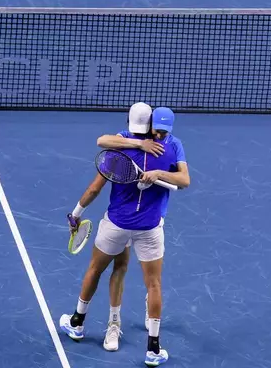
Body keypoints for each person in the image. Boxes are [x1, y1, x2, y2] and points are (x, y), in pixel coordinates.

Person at [59, 106, 190, 366]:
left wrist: (76, 214)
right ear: (151, 124)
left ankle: (77, 322)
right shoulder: (171, 149)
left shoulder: (117, 149)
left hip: (116, 225)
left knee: (96, 269)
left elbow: (94, 188)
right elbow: (184, 180)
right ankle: (153, 349)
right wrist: (160, 171)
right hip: (150, 228)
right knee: (153, 285)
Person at [96, 106, 189, 332]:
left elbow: (184, 180)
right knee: (121, 266)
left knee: (153, 278)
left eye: (164, 133)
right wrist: (139, 144)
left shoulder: (174, 144)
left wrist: (159, 174)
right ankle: (114, 321)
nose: (159, 136)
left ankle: (151, 309)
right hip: (124, 218)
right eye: (156, 131)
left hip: (153, 218)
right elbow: (102, 141)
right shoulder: (132, 136)